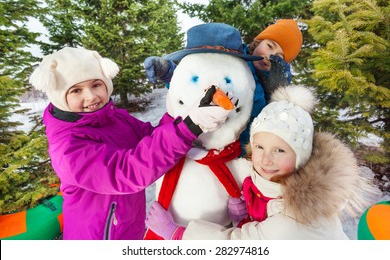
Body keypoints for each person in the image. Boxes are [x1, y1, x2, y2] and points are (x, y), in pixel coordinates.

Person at [28, 46, 235, 240]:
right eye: (76, 90)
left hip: (129, 229)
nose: (90, 96)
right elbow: (127, 172)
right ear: (59, 96)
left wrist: (186, 112)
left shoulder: (114, 118)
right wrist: (190, 126)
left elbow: (151, 137)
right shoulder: (67, 147)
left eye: (96, 84)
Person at [145, 85, 373, 240]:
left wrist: (175, 233)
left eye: (280, 150)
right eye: (260, 147)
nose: (265, 159)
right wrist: (244, 218)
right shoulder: (275, 185)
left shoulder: (298, 217)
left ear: (301, 157)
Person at [144, 19, 303, 151]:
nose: (270, 56)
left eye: (279, 57)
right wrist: (167, 73)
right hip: (200, 138)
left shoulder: (272, 82)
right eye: (269, 46)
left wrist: (279, 91)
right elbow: (195, 80)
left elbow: (272, 120)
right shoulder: (231, 58)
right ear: (258, 41)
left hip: (239, 148)